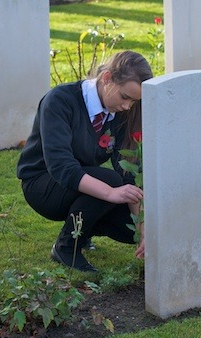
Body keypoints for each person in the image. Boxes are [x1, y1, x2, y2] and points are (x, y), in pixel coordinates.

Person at [17, 50, 152, 272]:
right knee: (111, 181)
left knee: (129, 229)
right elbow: (61, 167)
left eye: (134, 101)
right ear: (107, 78)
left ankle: (84, 230)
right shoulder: (60, 101)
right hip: (43, 184)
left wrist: (143, 227)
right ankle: (66, 247)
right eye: (125, 97)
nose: (128, 106)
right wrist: (110, 193)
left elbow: (127, 169)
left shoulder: (120, 111)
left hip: (80, 180)